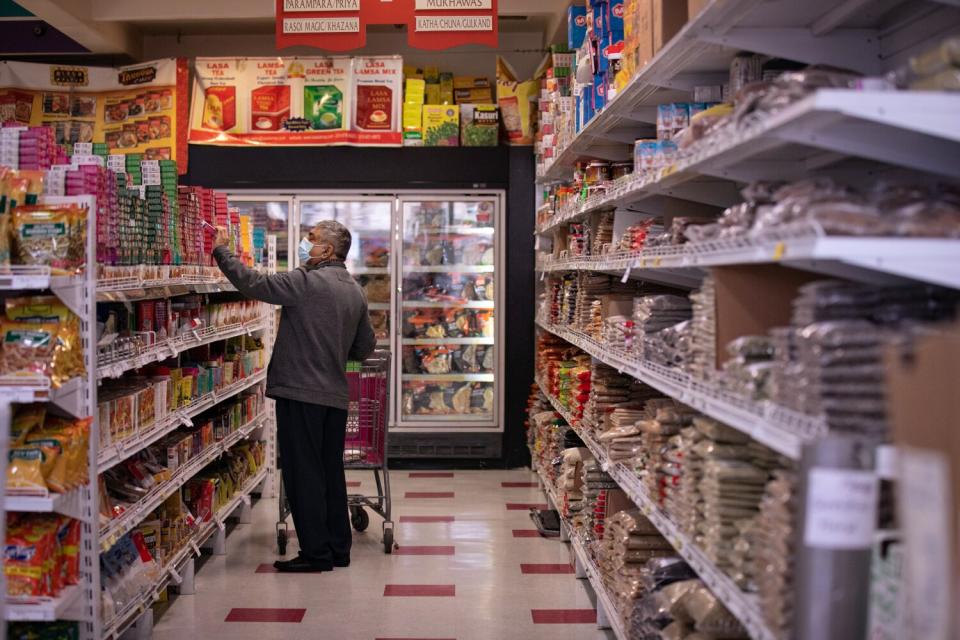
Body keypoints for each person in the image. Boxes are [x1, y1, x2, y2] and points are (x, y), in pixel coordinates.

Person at [212, 221, 377, 572]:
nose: (306, 244)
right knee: (330, 472)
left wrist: (221, 251)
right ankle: (338, 548)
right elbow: (364, 347)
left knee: (303, 475)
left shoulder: (306, 282)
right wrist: (331, 351)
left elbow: (254, 283)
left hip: (301, 393)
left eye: (313, 239)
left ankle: (315, 554)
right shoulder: (354, 289)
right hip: (334, 395)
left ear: (328, 251)